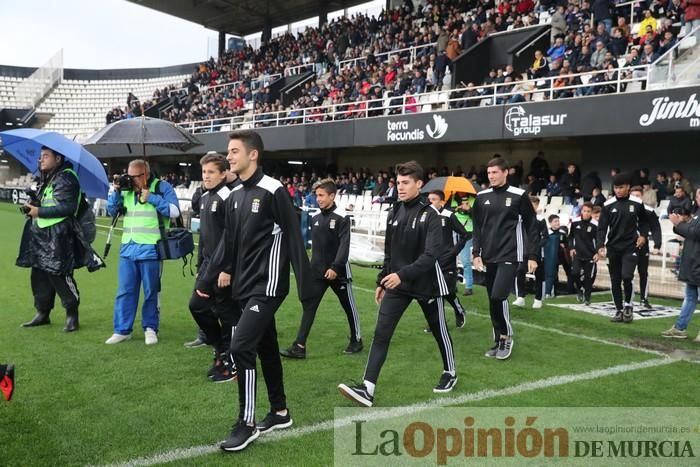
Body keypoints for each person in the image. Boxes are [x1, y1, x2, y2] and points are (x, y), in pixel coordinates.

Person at [196, 130, 311, 452]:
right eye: (228, 151)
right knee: (266, 347)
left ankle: (246, 423)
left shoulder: (273, 190)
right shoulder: (234, 196)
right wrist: (208, 281)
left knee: (241, 346)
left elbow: (293, 237)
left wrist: (307, 288)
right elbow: (227, 246)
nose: (229, 156)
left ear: (253, 154)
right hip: (245, 287)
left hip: (269, 285)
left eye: (234, 151)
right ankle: (280, 411)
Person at [337, 161, 457, 407]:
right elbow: (389, 253)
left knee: (438, 329)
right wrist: (383, 280)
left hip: (426, 284)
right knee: (381, 333)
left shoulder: (431, 215)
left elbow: (430, 256)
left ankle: (450, 372)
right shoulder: (394, 211)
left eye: (406, 183)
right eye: (398, 182)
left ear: (419, 184)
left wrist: (401, 275)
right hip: (398, 284)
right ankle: (367, 389)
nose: (400, 187)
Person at [18, 146, 102, 332]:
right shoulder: (46, 178)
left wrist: (38, 211)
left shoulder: (67, 177)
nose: (41, 160)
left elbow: (67, 208)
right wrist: (32, 205)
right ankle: (42, 313)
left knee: (60, 275)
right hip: (40, 236)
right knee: (39, 276)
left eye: (46, 156)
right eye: (40, 156)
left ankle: (72, 315)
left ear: (58, 159)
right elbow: (47, 202)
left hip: (59, 236)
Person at [280, 178, 362, 359]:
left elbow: (344, 246)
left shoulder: (343, 217)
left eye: (322, 195)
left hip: (338, 273)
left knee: (349, 307)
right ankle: (299, 346)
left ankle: (356, 340)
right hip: (317, 273)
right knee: (309, 306)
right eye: (317, 195)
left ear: (332, 196)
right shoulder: (315, 217)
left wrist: (335, 267)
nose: (318, 199)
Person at [105, 159, 180, 345]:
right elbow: (112, 211)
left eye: (134, 177)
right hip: (128, 248)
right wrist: (116, 192)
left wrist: (152, 198)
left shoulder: (162, 187)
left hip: (152, 249)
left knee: (151, 291)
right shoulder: (126, 189)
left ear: (145, 175)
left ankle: (150, 328)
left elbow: (175, 212)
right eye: (128, 176)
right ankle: (122, 330)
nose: (130, 180)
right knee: (125, 291)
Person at [472, 157, 539, 360]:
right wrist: (476, 253)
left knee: (498, 296)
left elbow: (532, 226)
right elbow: (477, 227)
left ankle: (506, 336)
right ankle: (498, 339)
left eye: (495, 172)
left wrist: (533, 255)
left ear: (505, 172)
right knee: (492, 300)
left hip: (511, 254)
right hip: (489, 255)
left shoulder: (519, 196)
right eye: (489, 172)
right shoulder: (482, 197)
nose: (491, 176)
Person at [188, 153, 239, 383]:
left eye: (211, 172)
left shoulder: (228, 197)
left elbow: (232, 238)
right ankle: (221, 350)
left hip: (223, 269)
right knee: (199, 306)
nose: (206, 176)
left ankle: (231, 362)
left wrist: (227, 268)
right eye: (204, 172)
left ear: (223, 174)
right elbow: (206, 239)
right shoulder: (206, 197)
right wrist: (200, 266)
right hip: (209, 266)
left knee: (227, 315)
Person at [597, 173, 649, 323]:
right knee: (615, 280)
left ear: (628, 187)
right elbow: (601, 228)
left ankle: (628, 306)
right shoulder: (608, 205)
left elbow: (645, 222)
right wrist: (600, 245)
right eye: (615, 187)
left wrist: (643, 236)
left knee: (627, 276)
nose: (618, 190)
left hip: (630, 247)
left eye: (621, 187)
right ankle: (619, 310)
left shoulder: (637, 203)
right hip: (613, 247)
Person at [428, 190, 468, 328]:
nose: (430, 202)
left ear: (442, 202)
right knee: (432, 291)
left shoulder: (449, 215)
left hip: (447, 260)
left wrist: (453, 252)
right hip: (430, 258)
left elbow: (464, 234)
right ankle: (437, 322)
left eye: (433, 199)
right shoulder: (426, 215)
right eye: (429, 199)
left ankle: (459, 310)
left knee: (446, 291)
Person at [661, 207, 700, 339]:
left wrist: (679, 224)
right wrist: (681, 223)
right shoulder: (697, 215)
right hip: (693, 264)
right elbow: (690, 232)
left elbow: (696, 233)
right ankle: (680, 328)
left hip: (697, 264)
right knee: (690, 297)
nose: (698, 197)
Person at [628, 185, 662, 310]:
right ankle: (628, 300)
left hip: (643, 246)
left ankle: (644, 299)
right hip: (628, 247)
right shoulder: (625, 209)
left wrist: (657, 245)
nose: (636, 198)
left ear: (642, 196)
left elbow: (656, 228)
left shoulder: (649, 210)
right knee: (628, 274)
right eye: (633, 196)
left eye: (638, 196)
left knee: (643, 273)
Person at [513, 196, 548, 309]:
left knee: (539, 274)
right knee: (520, 271)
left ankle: (538, 299)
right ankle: (520, 297)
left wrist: (536, 247)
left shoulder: (541, 219)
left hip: (537, 252)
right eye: (530, 204)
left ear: (537, 205)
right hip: (523, 250)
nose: (532, 206)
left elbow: (545, 237)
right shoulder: (521, 218)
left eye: (534, 204)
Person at [568, 202, 598, 305]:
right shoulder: (575, 222)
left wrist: (597, 253)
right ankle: (580, 289)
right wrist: (571, 248)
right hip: (577, 253)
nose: (586, 213)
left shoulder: (595, 224)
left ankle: (587, 297)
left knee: (588, 277)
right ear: (581, 211)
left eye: (588, 211)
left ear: (591, 212)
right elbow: (570, 236)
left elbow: (599, 240)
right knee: (575, 273)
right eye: (584, 211)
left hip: (590, 255)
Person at [451, 193, 475, 296]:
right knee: (451, 259)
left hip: (467, 232)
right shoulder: (454, 198)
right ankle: (452, 285)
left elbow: (476, 215)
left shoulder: (473, 199)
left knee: (465, 261)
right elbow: (450, 212)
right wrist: (457, 208)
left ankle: (469, 287)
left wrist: (468, 209)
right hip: (454, 231)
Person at [543, 215, 565, 297]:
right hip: (549, 258)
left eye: (558, 221)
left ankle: (555, 291)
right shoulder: (546, 234)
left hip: (560, 258)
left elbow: (566, 243)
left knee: (555, 274)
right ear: (550, 223)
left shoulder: (562, 234)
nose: (557, 223)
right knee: (550, 273)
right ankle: (548, 292)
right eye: (555, 221)